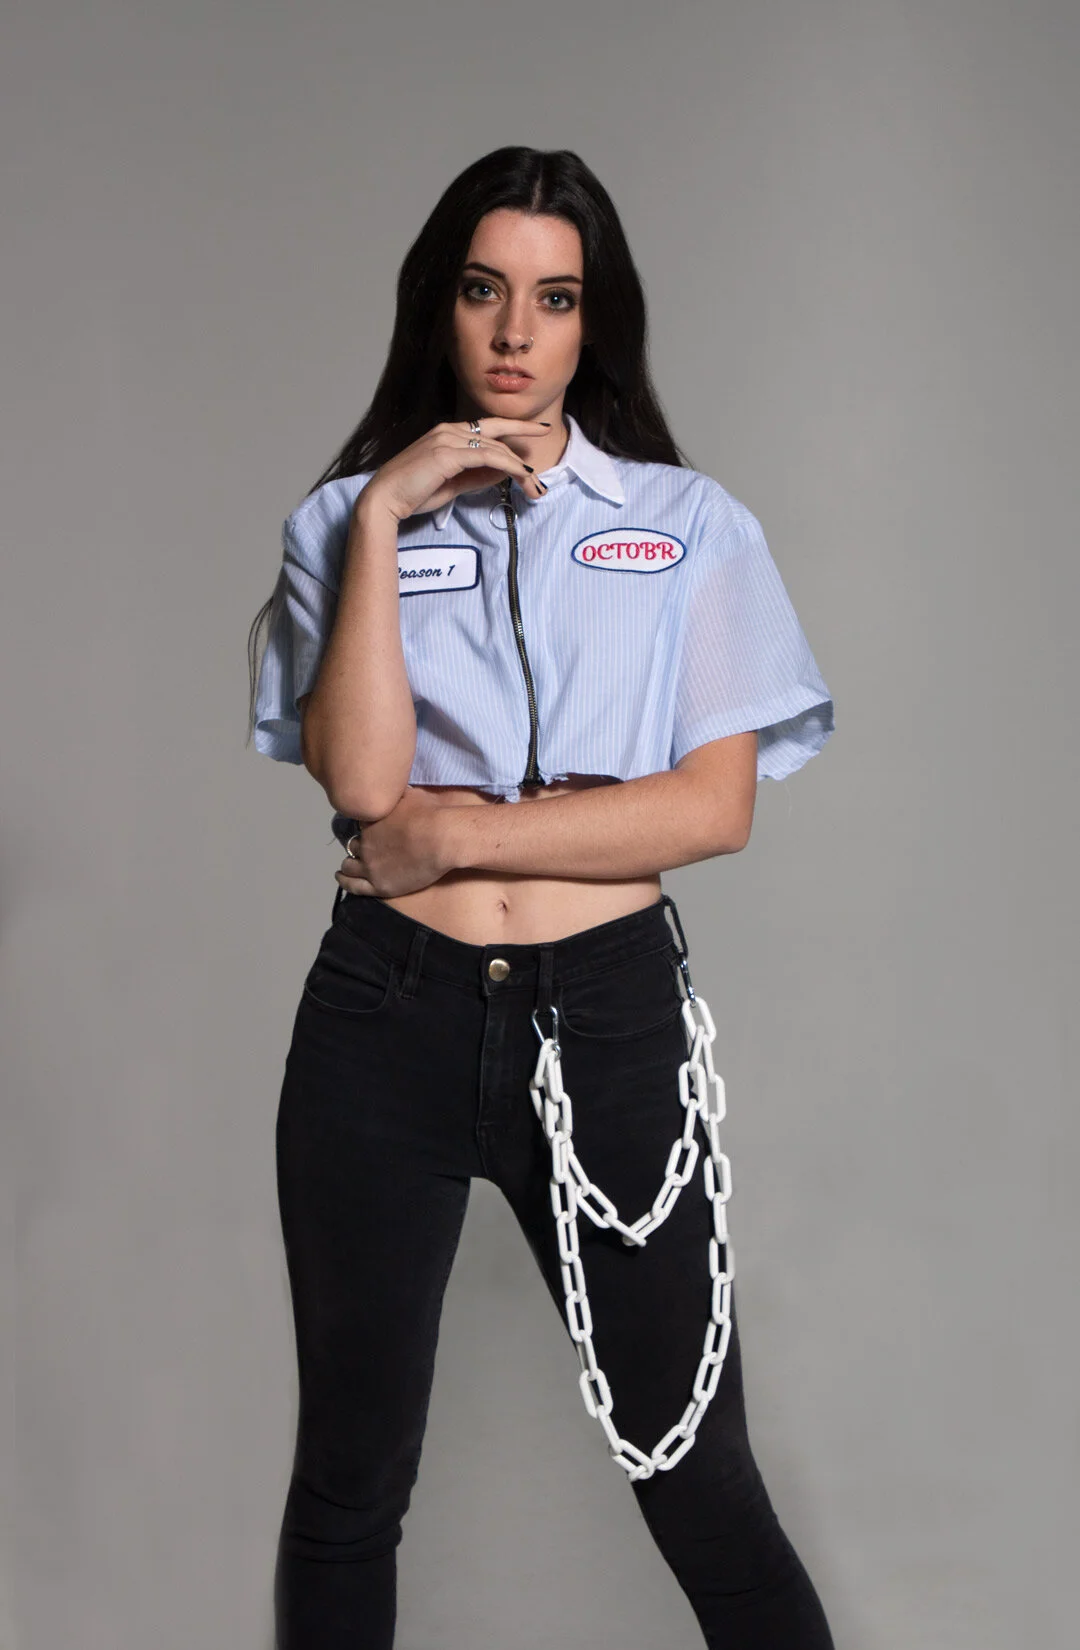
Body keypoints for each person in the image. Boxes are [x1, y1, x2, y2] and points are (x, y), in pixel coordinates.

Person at [247, 145, 836, 1650]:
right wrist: (383, 520)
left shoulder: (691, 525)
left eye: (556, 298)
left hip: (609, 1022)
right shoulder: (343, 525)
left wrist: (457, 840)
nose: (516, 332)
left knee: (700, 1478)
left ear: (595, 321)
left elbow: (711, 809)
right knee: (347, 1484)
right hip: (383, 1021)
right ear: (438, 308)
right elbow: (365, 785)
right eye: (484, 290)